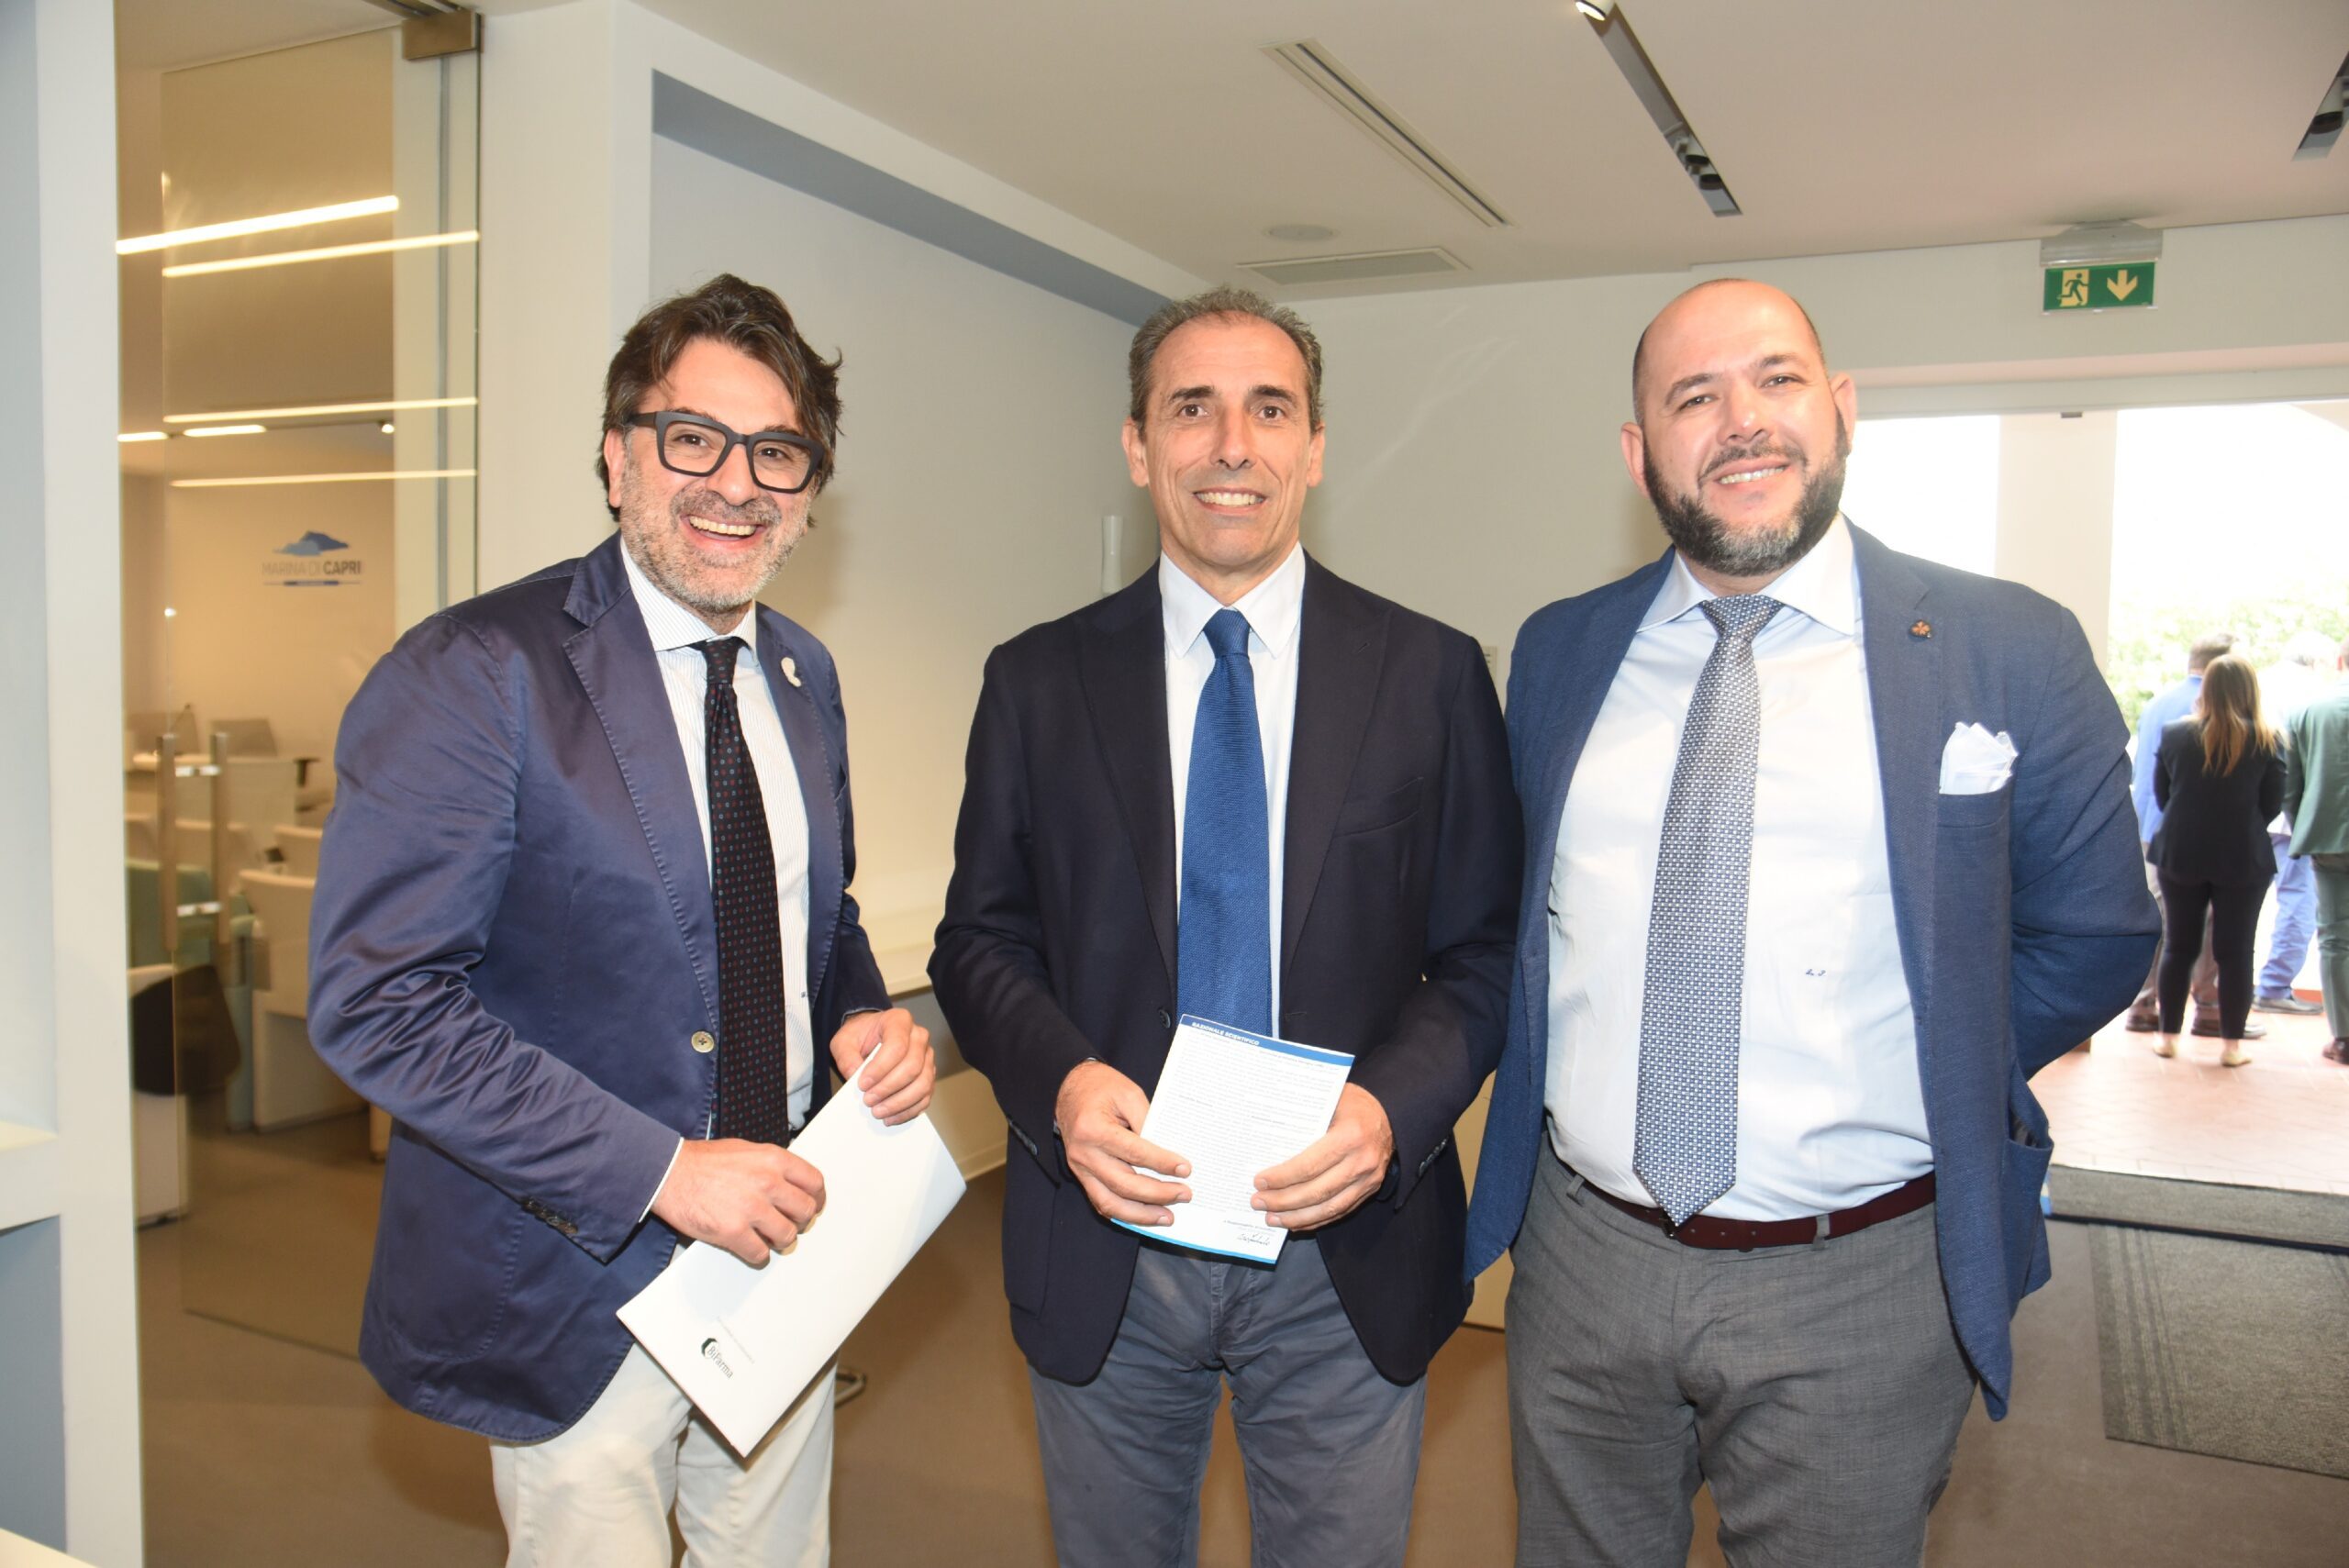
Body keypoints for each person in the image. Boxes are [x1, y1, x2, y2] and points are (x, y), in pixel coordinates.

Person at [1466, 279, 2157, 1567]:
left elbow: (2098, 936)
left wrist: (1934, 1054)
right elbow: (1519, 927)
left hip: (1863, 1278)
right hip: (1583, 1258)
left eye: (1776, 379)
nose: (1742, 420)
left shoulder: (2006, 644)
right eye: (1693, 396)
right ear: (1638, 451)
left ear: (1840, 407)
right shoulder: (1559, 651)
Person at [309, 274, 936, 1568]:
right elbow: (381, 1002)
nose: (736, 483)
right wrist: (663, 1172)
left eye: (777, 453)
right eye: (692, 437)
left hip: (782, 1254)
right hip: (578, 1284)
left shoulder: (803, 675)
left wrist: (863, 1014)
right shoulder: (476, 673)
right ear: (617, 456)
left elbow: (814, 915)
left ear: (810, 490)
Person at [930, 286, 1519, 1567]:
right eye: (1192, 409)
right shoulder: (1035, 680)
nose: (1232, 446)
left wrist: (1389, 1111)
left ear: (1316, 446)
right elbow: (977, 941)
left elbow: (1484, 951)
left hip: (1344, 1242)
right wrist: (1065, 1083)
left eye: (1270, 409)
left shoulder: (1430, 674)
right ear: (1140, 446)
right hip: (1110, 1233)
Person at [2147, 654, 2288, 1064]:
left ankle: (2167, 1037)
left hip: (2180, 852)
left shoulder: (2175, 734)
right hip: (2242, 856)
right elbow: (2272, 804)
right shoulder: (2268, 739)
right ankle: (2231, 1047)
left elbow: (2164, 796)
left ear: (2206, 689)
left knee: (2178, 945)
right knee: (2236, 952)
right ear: (2250, 690)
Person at [2121, 632, 2234, 1034]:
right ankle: (2208, 1004)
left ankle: (2143, 1001)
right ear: (2221, 665)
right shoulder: (2218, 707)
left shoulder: (2157, 703)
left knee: (2157, 914)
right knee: (2207, 920)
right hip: (2198, 833)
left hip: (2152, 825)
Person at [2254, 632, 2337, 1014]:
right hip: (2292, 821)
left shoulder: (2259, 682)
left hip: (2252, 815)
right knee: (2298, 899)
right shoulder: (2314, 695)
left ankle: (2223, 988)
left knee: (2239, 904)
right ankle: (2274, 986)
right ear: (2320, 662)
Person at [2285, 635, 2349, 1065]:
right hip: (2328, 837)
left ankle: (2344, 1037)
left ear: (2341, 661)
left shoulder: (2308, 710)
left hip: (2328, 839)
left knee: (2336, 937)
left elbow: (2291, 787)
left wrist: (2302, 829)